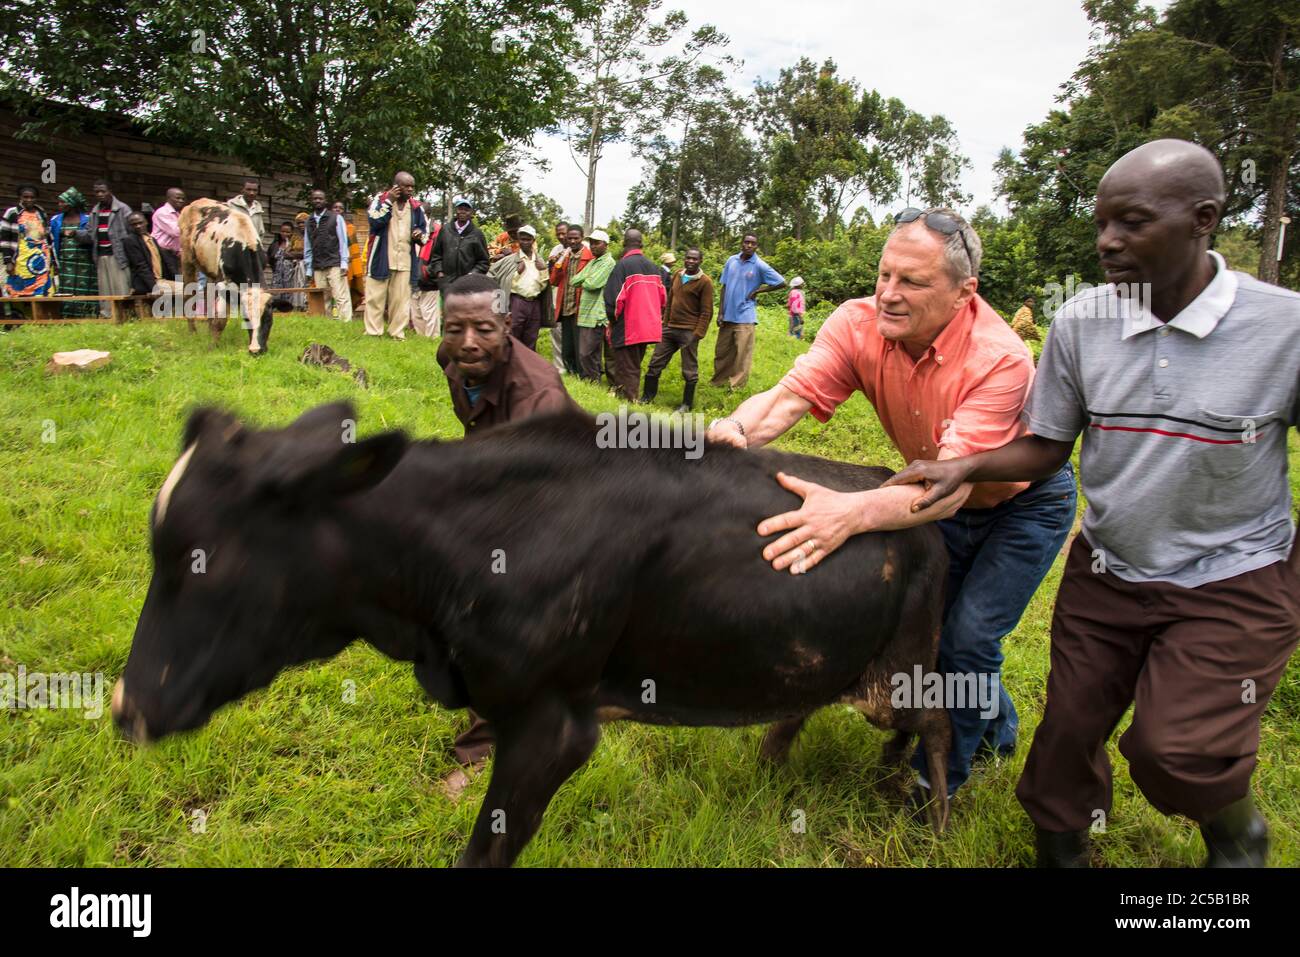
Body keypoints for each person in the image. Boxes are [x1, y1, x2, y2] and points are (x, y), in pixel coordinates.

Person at [883, 140, 1300, 869]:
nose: (1108, 242)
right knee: (1063, 746)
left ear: (1204, 219)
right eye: (1102, 222)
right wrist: (966, 467)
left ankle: (1240, 842)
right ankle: (1065, 853)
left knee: (1174, 748)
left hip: (1232, 577)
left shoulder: (1283, 329)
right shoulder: (1082, 321)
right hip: (1107, 566)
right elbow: (1047, 445)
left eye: (1132, 222)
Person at [706, 205, 1077, 814]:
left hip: (1018, 507)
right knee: (940, 633)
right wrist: (735, 430)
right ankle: (997, 728)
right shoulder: (856, 325)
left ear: (964, 293)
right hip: (933, 500)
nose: (888, 294)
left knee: (968, 635)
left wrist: (847, 513)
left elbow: (952, 486)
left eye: (912, 282)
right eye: (884, 276)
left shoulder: (1000, 358)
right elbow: (788, 398)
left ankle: (942, 780)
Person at [433, 272, 580, 796]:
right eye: (456, 329)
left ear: (507, 326)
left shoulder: (539, 399)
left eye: (483, 330)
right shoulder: (455, 356)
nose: (468, 343)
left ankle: (487, 749)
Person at [642, 246, 713, 411]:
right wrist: (664, 323)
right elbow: (670, 301)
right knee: (655, 363)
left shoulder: (705, 282)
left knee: (689, 369)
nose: (691, 261)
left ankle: (686, 405)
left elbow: (706, 311)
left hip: (689, 331)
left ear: (700, 261)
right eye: (688, 258)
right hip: (669, 328)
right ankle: (647, 397)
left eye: (695, 259)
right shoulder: (677, 275)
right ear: (684, 259)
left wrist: (697, 334)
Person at [711, 233, 785, 390]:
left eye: (753, 243)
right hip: (727, 315)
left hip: (745, 316)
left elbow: (781, 282)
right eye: (746, 242)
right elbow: (724, 286)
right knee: (722, 351)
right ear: (741, 244)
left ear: (756, 246)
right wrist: (720, 312)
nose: (749, 245)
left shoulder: (759, 265)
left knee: (742, 355)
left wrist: (759, 291)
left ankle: (736, 387)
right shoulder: (731, 261)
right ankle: (719, 381)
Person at [602, 228, 665, 402]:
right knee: (633, 365)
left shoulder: (622, 266)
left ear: (624, 244)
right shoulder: (653, 267)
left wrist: (612, 322)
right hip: (648, 328)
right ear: (641, 244)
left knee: (627, 368)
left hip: (629, 327)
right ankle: (625, 399)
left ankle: (629, 404)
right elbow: (663, 299)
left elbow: (614, 302)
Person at [364, 171, 428, 340]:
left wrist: (419, 234)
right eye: (406, 186)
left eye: (412, 187)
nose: (410, 190)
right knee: (375, 298)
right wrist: (389, 201)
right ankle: (373, 332)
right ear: (396, 186)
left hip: (405, 261)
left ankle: (397, 333)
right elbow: (374, 221)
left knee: (400, 301)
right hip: (381, 258)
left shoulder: (416, 207)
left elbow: (425, 233)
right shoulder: (380, 199)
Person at [488, 224, 550, 349]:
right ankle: (511, 366)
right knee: (512, 337)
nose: (525, 242)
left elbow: (544, 286)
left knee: (531, 338)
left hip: (534, 303)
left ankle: (527, 367)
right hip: (516, 302)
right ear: (518, 240)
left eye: (528, 239)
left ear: (533, 240)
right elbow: (490, 275)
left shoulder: (540, 261)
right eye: (522, 239)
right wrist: (516, 274)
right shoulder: (510, 260)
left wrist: (543, 270)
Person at [79, 180, 132, 317]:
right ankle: (108, 315)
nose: (100, 194)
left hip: (118, 254)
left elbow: (130, 232)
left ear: (110, 191)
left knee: (121, 286)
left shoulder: (122, 209)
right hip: (101, 254)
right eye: (97, 192)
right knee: (105, 288)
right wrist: (76, 234)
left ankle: (125, 315)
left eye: (103, 191)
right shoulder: (95, 212)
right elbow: (90, 234)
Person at [573, 228, 616, 383]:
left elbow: (592, 284)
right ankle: (594, 381)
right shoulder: (593, 262)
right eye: (591, 243)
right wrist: (586, 279)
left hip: (596, 314)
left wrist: (586, 279)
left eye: (596, 243)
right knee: (592, 353)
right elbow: (574, 280)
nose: (593, 246)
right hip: (585, 313)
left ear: (605, 244)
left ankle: (592, 379)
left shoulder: (609, 262)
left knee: (586, 352)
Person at [303, 189, 353, 322]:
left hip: (335, 263)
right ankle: (327, 324)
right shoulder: (309, 221)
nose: (318, 201)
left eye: (320, 198)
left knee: (340, 295)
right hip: (318, 265)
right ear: (311, 200)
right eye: (315, 198)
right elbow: (308, 247)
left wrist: (344, 262)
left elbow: (343, 242)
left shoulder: (336, 218)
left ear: (325, 201)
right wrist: (309, 269)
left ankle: (346, 323)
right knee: (323, 297)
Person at [550, 224, 593, 374]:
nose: (573, 241)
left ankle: (583, 374)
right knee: (567, 347)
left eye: (576, 238)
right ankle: (572, 372)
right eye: (570, 239)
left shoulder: (589, 256)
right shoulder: (565, 256)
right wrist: (556, 263)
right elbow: (554, 280)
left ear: (582, 238)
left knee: (579, 346)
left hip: (580, 308)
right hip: (566, 307)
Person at [429, 197, 489, 306]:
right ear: (456, 211)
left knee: (465, 314)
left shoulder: (477, 234)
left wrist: (472, 275)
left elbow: (483, 262)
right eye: (460, 209)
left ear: (471, 213)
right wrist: (440, 273)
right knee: (447, 313)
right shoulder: (445, 230)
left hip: (468, 285)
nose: (463, 212)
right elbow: (436, 255)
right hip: (446, 283)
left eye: (466, 210)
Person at [1, 185, 54, 302]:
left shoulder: (40, 212)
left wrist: (52, 258)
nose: (29, 200)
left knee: (41, 289)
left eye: (32, 197)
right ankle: (21, 318)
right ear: (20, 197)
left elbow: (47, 236)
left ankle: (40, 318)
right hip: (21, 259)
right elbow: (4, 239)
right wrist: (8, 261)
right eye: (26, 197)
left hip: (41, 259)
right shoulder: (12, 213)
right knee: (20, 289)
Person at [49, 187, 97, 316]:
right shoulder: (56, 220)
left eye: (63, 202)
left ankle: (88, 315)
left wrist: (76, 234)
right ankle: (67, 316)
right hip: (65, 262)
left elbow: (92, 237)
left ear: (72, 203)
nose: (60, 205)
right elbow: (51, 240)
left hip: (85, 262)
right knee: (66, 289)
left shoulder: (88, 219)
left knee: (86, 289)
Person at [122, 211, 180, 297]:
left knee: (191, 288)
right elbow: (141, 266)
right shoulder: (130, 240)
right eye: (134, 224)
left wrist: (178, 279)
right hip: (148, 284)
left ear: (146, 222)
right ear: (130, 226)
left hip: (162, 281)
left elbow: (167, 263)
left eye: (140, 223)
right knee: (185, 289)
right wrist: (154, 288)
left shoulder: (152, 239)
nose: (138, 226)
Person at [411, 217, 443, 337]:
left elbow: (439, 256)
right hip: (414, 276)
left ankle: (432, 338)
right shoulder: (413, 229)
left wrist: (429, 272)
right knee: (416, 311)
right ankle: (421, 338)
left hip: (429, 278)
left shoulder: (437, 232)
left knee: (429, 311)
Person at [546, 221, 571, 373]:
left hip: (573, 298)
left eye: (564, 233)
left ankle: (573, 365)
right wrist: (552, 263)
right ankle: (559, 366)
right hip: (557, 296)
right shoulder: (556, 249)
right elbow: (551, 275)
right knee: (557, 331)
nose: (561, 237)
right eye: (558, 234)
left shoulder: (582, 247)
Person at [333, 201, 365, 313]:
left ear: (344, 211)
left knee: (346, 290)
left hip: (348, 263)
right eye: (335, 207)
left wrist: (353, 266)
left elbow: (354, 250)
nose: (337, 209)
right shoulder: (327, 225)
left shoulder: (351, 228)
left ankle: (346, 313)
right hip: (331, 262)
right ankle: (332, 314)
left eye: (340, 208)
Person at [268, 221, 306, 311]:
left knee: (289, 292)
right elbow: (270, 257)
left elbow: (301, 254)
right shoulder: (276, 243)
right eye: (283, 231)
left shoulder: (296, 243)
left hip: (290, 274)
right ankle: (276, 310)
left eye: (287, 232)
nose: (284, 234)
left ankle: (288, 310)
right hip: (277, 275)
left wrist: (290, 256)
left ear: (292, 232)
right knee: (276, 292)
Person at [151, 188, 186, 280]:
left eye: (182, 199)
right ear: (169, 198)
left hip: (174, 254)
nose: (181, 201)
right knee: (169, 280)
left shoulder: (177, 214)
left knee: (178, 280)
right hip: (163, 253)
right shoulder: (162, 213)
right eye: (178, 198)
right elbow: (176, 232)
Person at [228, 178, 268, 246]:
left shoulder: (257, 208)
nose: (251, 193)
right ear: (242, 190)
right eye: (248, 189)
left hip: (252, 248)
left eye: (254, 190)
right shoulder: (231, 205)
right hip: (234, 248)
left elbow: (261, 232)